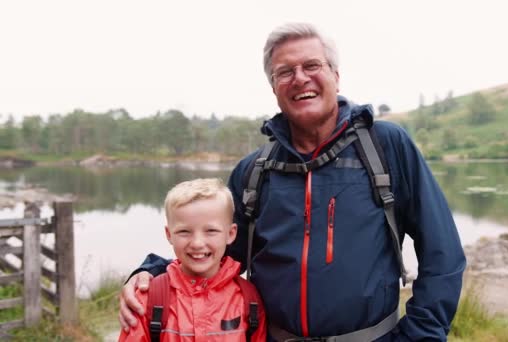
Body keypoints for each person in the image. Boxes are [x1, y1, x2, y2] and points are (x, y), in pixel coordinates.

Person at [120, 22, 466, 341]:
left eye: (311, 66)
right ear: (274, 87)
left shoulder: (385, 146)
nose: (299, 78)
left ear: (335, 75)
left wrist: (420, 335)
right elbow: (216, 252)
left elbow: (443, 254)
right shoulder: (254, 171)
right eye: (284, 72)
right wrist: (151, 272)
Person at [118, 178, 266, 341]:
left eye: (210, 230)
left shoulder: (249, 299)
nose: (197, 243)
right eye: (184, 232)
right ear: (169, 234)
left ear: (231, 234)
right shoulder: (148, 299)